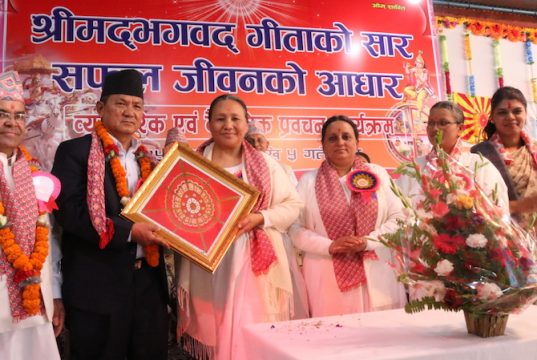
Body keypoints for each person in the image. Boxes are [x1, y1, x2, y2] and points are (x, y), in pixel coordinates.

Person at [51, 70, 169, 359]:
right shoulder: (73, 152)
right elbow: (70, 212)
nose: (130, 112)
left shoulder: (151, 161)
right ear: (101, 108)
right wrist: (130, 231)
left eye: (137, 106)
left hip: (148, 286)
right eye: (121, 103)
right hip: (97, 287)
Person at [176, 94, 303, 360]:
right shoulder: (192, 165)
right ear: (208, 124)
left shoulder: (266, 165)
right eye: (220, 119)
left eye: (235, 118)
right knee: (219, 329)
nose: (228, 125)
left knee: (254, 330)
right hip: (209, 260)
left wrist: (261, 219)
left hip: (257, 263)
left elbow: (292, 205)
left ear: (247, 124)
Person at [289, 115, 406, 317]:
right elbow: (294, 228)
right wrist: (329, 246)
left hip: (377, 269)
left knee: (384, 336)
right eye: (332, 138)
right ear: (323, 145)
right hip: (326, 274)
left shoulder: (377, 174)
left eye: (346, 136)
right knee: (337, 337)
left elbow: (400, 217)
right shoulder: (308, 181)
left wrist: (368, 241)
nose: (340, 142)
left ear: (357, 142)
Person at [0, 71, 63, 359]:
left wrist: (56, 294)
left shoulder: (35, 176)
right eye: (2, 114)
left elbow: (47, 243)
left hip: (34, 301)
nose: (11, 122)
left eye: (18, 115)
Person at [398, 101, 509, 214]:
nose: (435, 128)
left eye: (443, 123)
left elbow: (498, 210)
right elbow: (399, 210)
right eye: (431, 123)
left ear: (460, 129)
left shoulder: (478, 165)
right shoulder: (413, 167)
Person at [471, 87, 537, 229]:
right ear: (492, 118)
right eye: (502, 112)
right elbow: (474, 204)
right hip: (505, 238)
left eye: (517, 111)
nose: (511, 117)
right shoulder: (481, 154)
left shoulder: (535, 149)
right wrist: (517, 206)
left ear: (526, 114)